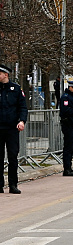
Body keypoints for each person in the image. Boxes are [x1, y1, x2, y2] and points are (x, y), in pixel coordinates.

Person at [0, 64, 27, 193]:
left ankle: (13, 184)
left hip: (11, 128)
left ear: (6, 75)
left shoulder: (15, 89)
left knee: (12, 157)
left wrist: (22, 121)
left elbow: (22, 107)